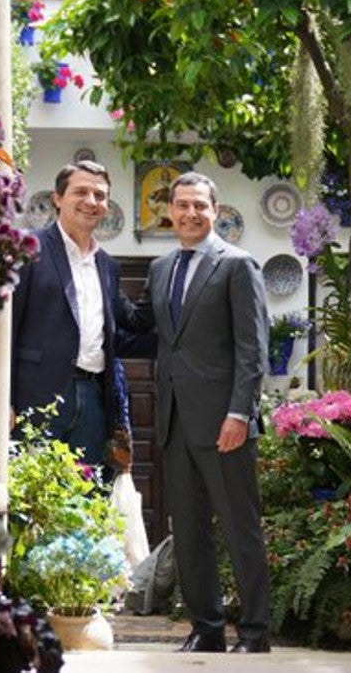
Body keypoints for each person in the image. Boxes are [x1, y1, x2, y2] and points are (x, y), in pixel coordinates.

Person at [147, 171, 271, 654]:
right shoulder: (160, 270)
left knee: (240, 529)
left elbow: (252, 349)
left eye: (200, 205)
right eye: (182, 205)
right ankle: (207, 629)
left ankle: (255, 633)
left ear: (215, 211)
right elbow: (158, 336)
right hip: (174, 420)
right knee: (189, 531)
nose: (190, 213)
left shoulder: (238, 266)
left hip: (224, 423)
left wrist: (240, 413)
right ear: (170, 212)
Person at [9, 160, 150, 485]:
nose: (91, 201)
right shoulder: (28, 249)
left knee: (87, 495)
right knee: (32, 497)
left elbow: (123, 330)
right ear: (58, 198)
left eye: (100, 195)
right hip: (36, 397)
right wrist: (5, 400)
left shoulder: (107, 266)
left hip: (93, 398)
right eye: (81, 192)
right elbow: (7, 330)